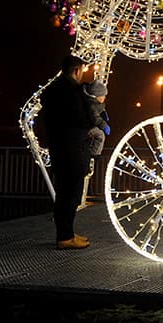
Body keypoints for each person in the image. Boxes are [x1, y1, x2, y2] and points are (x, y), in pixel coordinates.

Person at [38, 54, 92, 250]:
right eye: (82, 71)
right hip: (72, 149)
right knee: (70, 194)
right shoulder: (71, 91)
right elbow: (81, 118)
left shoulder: (53, 89)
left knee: (64, 193)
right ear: (76, 70)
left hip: (59, 148)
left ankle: (66, 233)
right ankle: (65, 237)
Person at [81, 80, 111, 158]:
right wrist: (104, 125)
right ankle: (94, 153)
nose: (104, 98)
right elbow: (95, 117)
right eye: (103, 96)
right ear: (97, 96)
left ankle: (92, 151)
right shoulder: (91, 105)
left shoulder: (94, 103)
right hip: (86, 128)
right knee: (100, 135)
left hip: (87, 126)